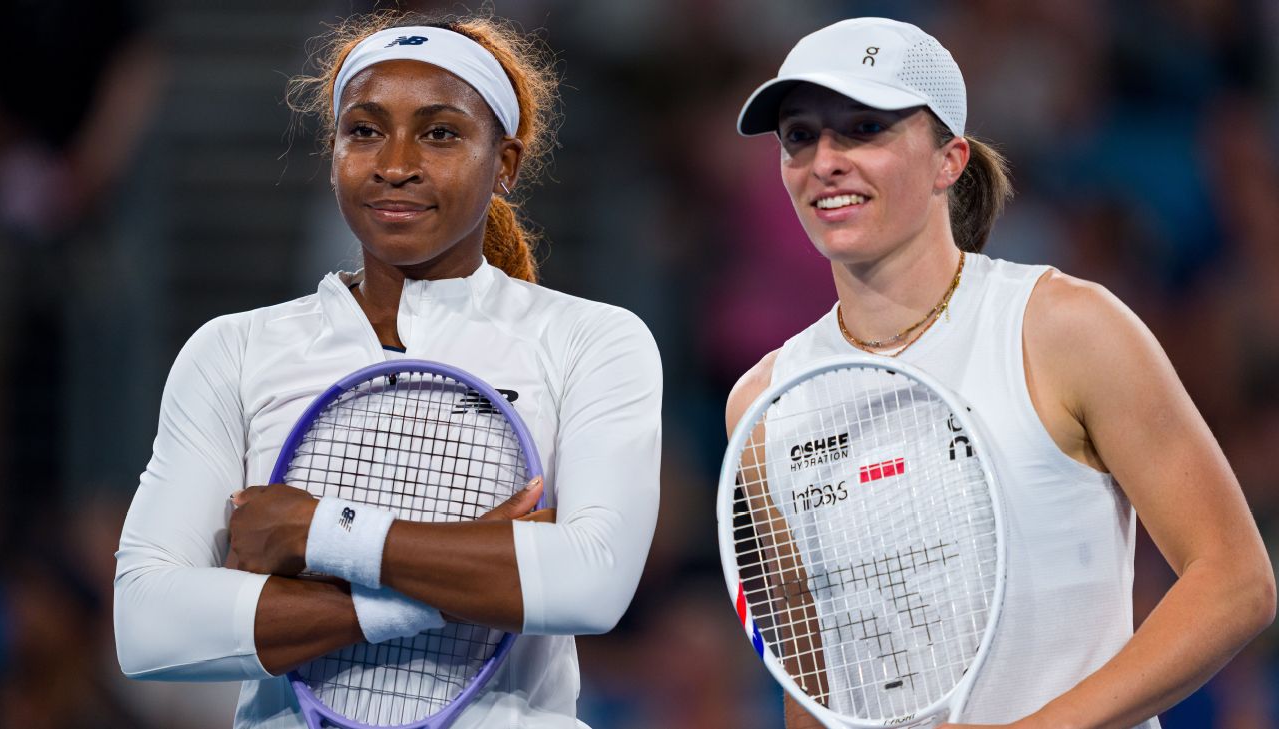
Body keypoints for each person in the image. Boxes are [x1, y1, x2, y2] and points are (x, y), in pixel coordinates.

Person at [113, 11, 662, 728]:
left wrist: (319, 532)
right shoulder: (233, 349)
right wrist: (449, 585)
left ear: (504, 164)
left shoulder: (593, 340)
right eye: (365, 130)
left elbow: (590, 584)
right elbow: (148, 627)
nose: (395, 163)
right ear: (334, 151)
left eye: (440, 133)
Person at [724, 17, 1274, 729]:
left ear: (948, 160)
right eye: (800, 136)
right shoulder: (762, 405)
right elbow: (814, 686)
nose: (825, 161)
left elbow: (1235, 581)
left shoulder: (1065, 328)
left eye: (865, 129)